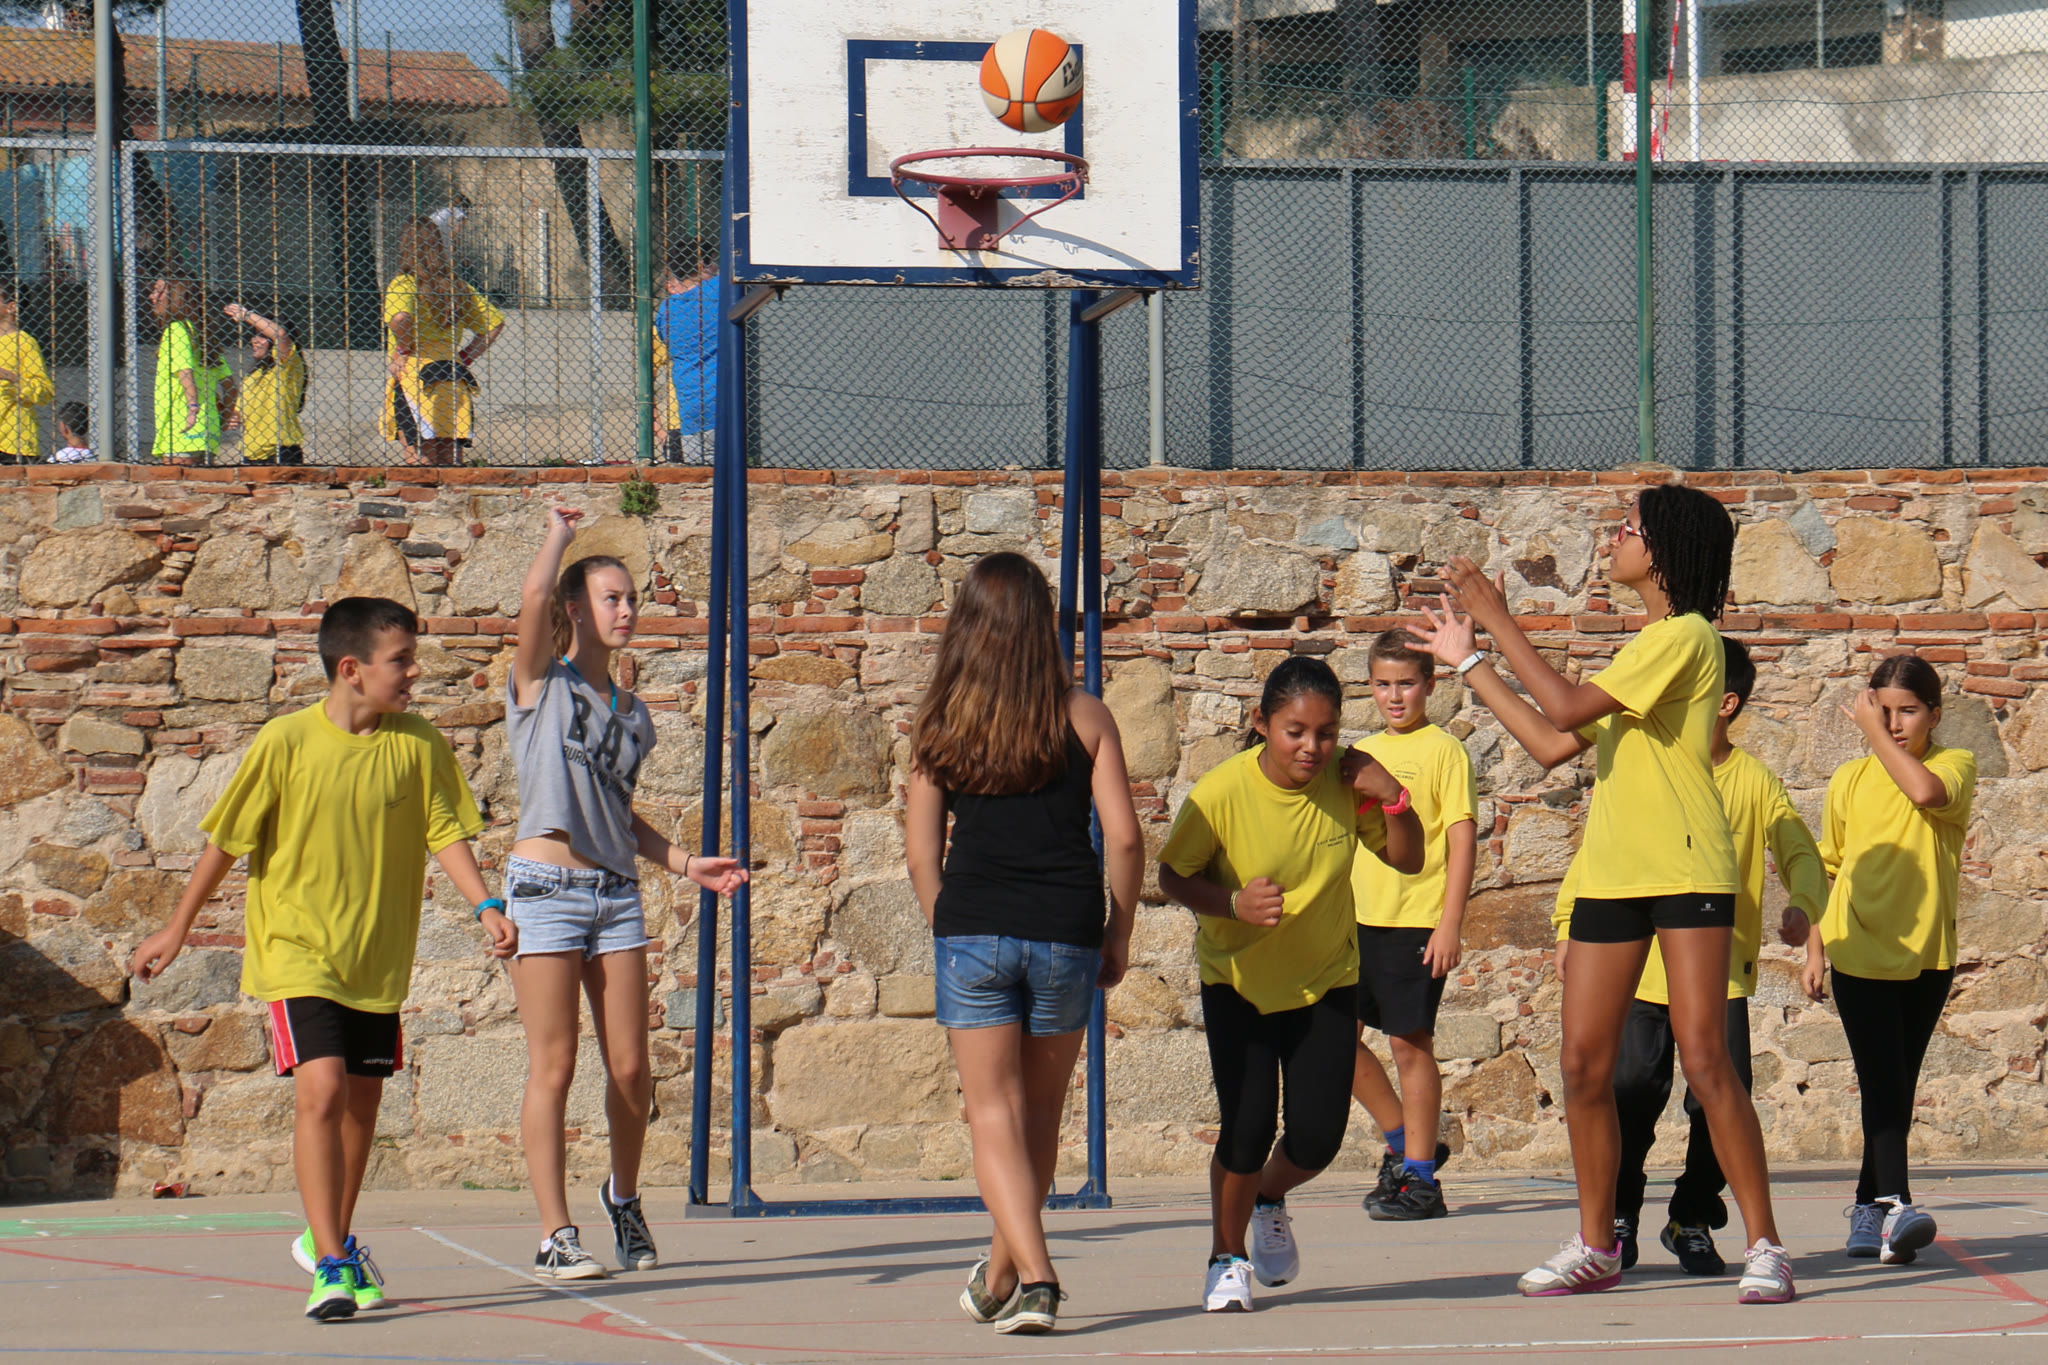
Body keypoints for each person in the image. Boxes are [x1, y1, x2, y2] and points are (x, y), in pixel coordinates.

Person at [1410, 484, 1794, 1305]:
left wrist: (1497, 616)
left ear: (1664, 551)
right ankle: (1597, 1243)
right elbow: (1552, 739)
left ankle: (1766, 1244)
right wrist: (1470, 659)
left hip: (1689, 869)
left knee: (1706, 1059)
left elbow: (1565, 702)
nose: (1614, 536)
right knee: (1583, 1065)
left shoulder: (1688, 636)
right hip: (1613, 875)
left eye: (1628, 527)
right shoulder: (1644, 650)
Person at [128, 597, 512, 1322]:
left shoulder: (419, 742)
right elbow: (227, 840)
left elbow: (443, 828)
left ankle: (327, 1232)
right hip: (297, 951)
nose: (414, 671)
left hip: (376, 960)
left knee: (362, 1107)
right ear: (352, 669)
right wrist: (178, 927)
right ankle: (332, 1263)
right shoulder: (286, 741)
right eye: (401, 659)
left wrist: (485, 904)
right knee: (324, 1090)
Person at [905, 551, 1143, 1336]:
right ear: (1044, 624)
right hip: (1066, 928)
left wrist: (949, 923)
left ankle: (1034, 1276)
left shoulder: (941, 720)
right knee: (1039, 1112)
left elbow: (921, 850)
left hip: (974, 923)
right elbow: (1124, 838)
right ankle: (1003, 1271)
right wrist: (1118, 930)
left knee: (991, 1113)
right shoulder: (1085, 715)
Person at [506, 507, 747, 1280]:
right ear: (577, 609)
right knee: (554, 1065)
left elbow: (619, 814)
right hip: (545, 888)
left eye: (632, 597)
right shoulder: (541, 683)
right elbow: (533, 597)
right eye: (611, 597)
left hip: (614, 893)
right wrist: (558, 534)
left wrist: (683, 861)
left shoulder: (635, 716)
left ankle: (624, 1196)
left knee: (633, 1069)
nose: (627, 609)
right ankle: (555, 1232)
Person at [1552, 635, 1827, 1276]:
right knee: (1628, 1091)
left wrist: (1803, 907)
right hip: (1640, 974)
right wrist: (1568, 923)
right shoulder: (1635, 753)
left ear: (1720, 701)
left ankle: (1694, 1216)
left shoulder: (1752, 780)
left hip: (1715, 972)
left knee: (1718, 1099)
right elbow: (1600, 850)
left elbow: (1799, 851)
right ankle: (1616, 1218)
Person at [1158, 657, 1423, 1314]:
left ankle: (1267, 1198)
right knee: (1246, 1131)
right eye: (1295, 731)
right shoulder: (1221, 793)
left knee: (1318, 1138)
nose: (1312, 747)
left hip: (1326, 980)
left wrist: (1393, 796)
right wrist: (1232, 903)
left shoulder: (1346, 781)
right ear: (1262, 723)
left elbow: (1408, 856)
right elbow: (1172, 876)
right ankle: (1226, 1257)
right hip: (1239, 982)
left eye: (1326, 733)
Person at [1801, 653, 1975, 1266]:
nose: (1895, 724)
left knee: (1897, 1085)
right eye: (1884, 711)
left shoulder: (1955, 764)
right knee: (1881, 1079)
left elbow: (1923, 792)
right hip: (1857, 947)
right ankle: (1898, 1207)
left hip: (1927, 953)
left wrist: (1872, 731)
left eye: (1909, 711)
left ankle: (1867, 1207)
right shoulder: (1849, 780)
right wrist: (1815, 948)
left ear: (1935, 715)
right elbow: (1828, 867)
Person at [1348, 628, 1476, 1222]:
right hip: (1354, 919)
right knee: (1332, 1039)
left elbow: (1461, 838)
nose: (1394, 696)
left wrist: (1450, 923)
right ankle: (1405, 1142)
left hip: (1415, 921)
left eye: (1406, 684)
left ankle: (1421, 1182)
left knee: (1409, 1044)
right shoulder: (1358, 752)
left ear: (1430, 684)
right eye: (1383, 684)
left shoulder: (1445, 751)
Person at [382, 216, 503, 466]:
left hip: (416, 374)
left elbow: (401, 318)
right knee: (449, 456)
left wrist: (403, 349)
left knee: (421, 457)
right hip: (452, 372)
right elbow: (494, 324)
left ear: (404, 247)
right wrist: (466, 356)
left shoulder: (404, 284)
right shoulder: (456, 286)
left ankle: (423, 489)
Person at [150, 276, 236, 465]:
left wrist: (192, 408)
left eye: (158, 290)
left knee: (178, 481)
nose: (152, 296)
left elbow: (185, 372)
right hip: (208, 428)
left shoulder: (176, 330)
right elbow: (230, 386)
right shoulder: (204, 335)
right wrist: (224, 419)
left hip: (182, 426)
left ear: (175, 296)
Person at [652, 240, 717, 466]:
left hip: (690, 415)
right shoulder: (720, 291)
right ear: (701, 266)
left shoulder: (666, 310)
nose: (715, 268)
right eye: (711, 264)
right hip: (716, 411)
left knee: (698, 477)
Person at [224, 302, 308, 465]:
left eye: (262, 336)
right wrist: (234, 417)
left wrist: (246, 315)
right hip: (252, 451)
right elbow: (239, 411)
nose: (255, 340)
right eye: (255, 335)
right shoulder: (253, 375)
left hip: (280, 449)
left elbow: (280, 334)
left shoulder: (288, 364)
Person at [0, 282, 52, 464]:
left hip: (12, 441)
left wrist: (11, 377)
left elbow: (45, 392)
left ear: (11, 307)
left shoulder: (24, 343)